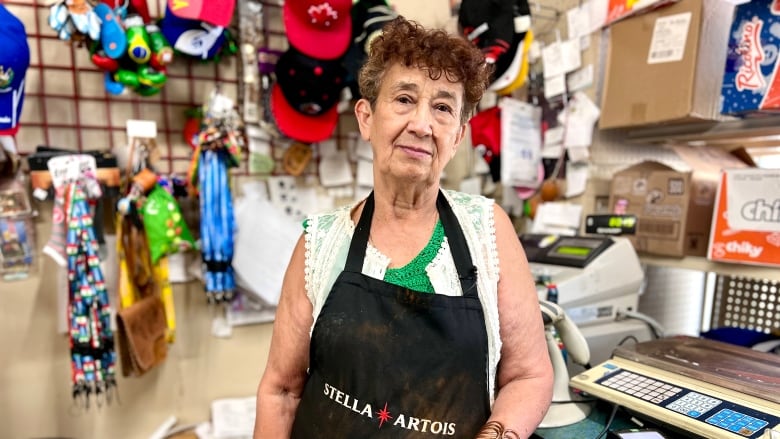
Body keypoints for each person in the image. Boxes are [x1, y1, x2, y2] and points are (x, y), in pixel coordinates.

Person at [254, 16, 553, 439]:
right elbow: (281, 391)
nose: (422, 124)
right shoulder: (320, 243)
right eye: (404, 99)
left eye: (443, 107)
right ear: (366, 117)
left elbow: (529, 376)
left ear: (458, 135)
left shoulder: (488, 231)